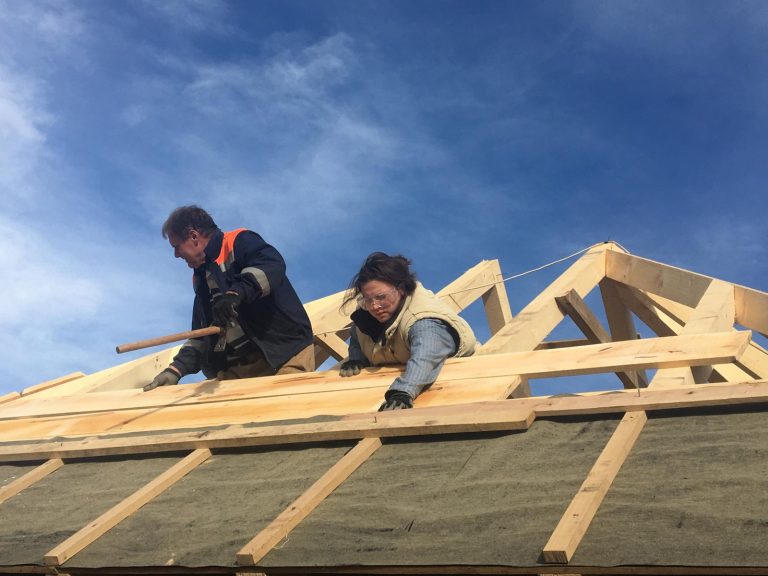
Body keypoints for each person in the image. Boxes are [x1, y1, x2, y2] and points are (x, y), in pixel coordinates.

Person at [144, 205, 314, 391]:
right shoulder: (201, 279)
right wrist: (175, 370)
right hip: (240, 367)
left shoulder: (238, 242)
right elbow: (201, 335)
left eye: (176, 246)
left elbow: (271, 265)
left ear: (194, 236)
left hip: (282, 354)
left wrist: (235, 294)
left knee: (284, 411)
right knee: (212, 416)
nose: (176, 255)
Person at [339, 252, 476, 410]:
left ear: (401, 289)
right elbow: (357, 335)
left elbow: (426, 358)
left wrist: (402, 392)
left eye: (381, 297)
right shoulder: (365, 314)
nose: (375, 306)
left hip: (455, 389)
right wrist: (356, 358)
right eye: (368, 299)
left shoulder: (424, 321)